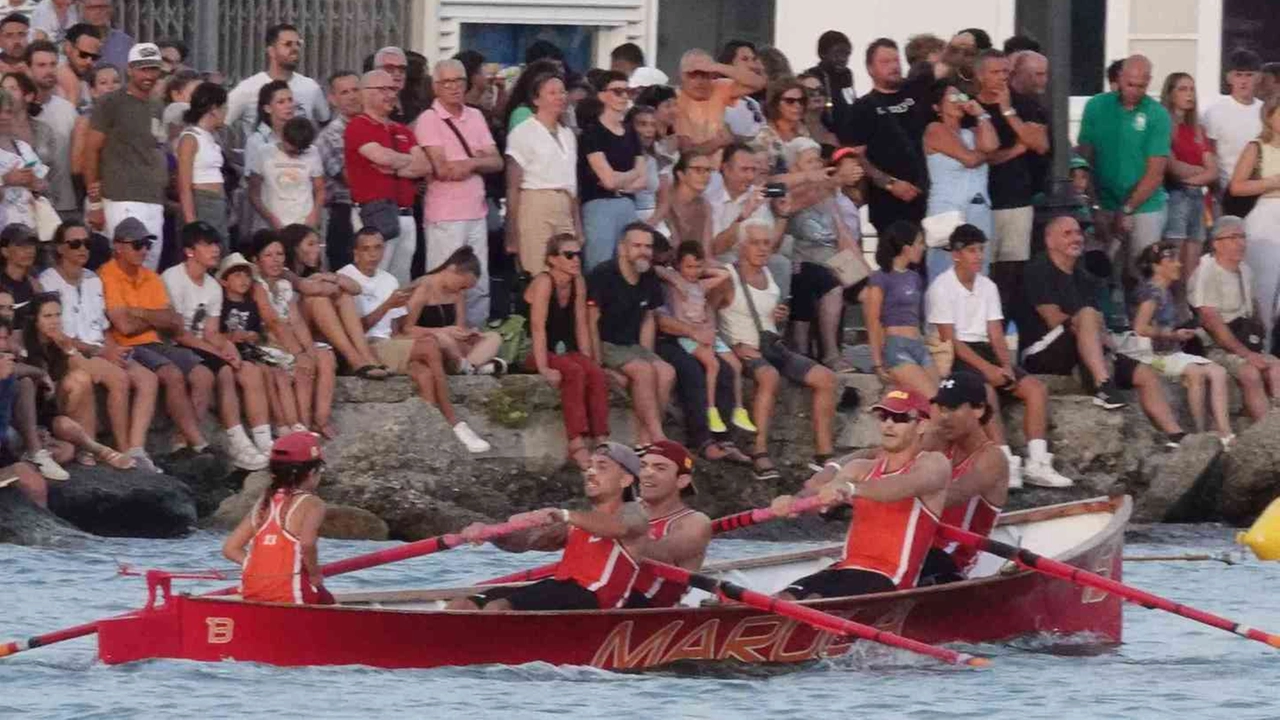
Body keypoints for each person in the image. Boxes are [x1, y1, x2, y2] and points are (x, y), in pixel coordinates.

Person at [926, 224, 1075, 486]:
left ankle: (1037, 462)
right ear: (956, 254)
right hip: (959, 355)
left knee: (1036, 389)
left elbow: (996, 332)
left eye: (981, 250)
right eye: (972, 251)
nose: (979, 257)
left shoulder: (988, 286)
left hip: (986, 350)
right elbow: (950, 339)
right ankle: (1004, 462)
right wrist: (987, 370)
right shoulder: (941, 287)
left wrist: (1006, 364)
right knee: (986, 392)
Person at [1022, 216, 1187, 442]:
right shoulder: (1039, 268)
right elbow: (1052, 318)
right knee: (1088, 315)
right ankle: (1103, 385)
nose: (1077, 238)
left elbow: (1099, 322)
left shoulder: (1083, 275)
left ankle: (1175, 435)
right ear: (1050, 241)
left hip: (1083, 346)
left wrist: (1100, 335)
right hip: (1043, 350)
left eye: (1078, 233)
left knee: (1144, 373)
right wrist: (1089, 325)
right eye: (1068, 233)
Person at [771, 389, 949, 598]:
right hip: (844, 569)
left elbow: (902, 486)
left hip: (889, 579)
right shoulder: (859, 468)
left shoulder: (934, 464)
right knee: (783, 598)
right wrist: (794, 503)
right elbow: (823, 499)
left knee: (814, 601)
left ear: (922, 425)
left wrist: (852, 489)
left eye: (900, 418)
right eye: (884, 417)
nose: (888, 424)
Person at [446, 442, 648, 612]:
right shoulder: (579, 522)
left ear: (625, 479)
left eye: (602, 467)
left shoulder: (634, 513)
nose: (591, 473)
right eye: (589, 467)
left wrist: (565, 515)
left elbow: (619, 528)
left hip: (594, 600)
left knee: (498, 607)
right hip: (561, 590)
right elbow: (524, 542)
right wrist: (490, 534)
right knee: (463, 603)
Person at [340, 227, 491, 453]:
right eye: (366, 249)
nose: (373, 254)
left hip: (389, 343)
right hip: (365, 348)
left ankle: (430, 435)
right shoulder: (346, 277)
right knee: (429, 346)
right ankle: (454, 421)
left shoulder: (389, 279)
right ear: (356, 253)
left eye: (378, 248)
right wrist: (387, 306)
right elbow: (353, 330)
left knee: (424, 372)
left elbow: (396, 330)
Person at [718, 219, 837, 479]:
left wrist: (777, 316)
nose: (762, 249)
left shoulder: (769, 273)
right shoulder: (727, 277)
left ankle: (824, 455)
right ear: (741, 246)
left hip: (771, 345)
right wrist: (729, 346)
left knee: (826, 378)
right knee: (769, 377)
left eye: (766, 243)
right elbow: (706, 314)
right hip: (745, 349)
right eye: (755, 243)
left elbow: (763, 314)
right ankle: (759, 451)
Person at [38, 221, 161, 471]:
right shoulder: (47, 280)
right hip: (68, 350)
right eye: (75, 244)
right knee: (119, 379)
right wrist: (100, 352)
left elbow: (102, 327)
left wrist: (113, 350)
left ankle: (138, 449)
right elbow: (54, 333)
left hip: (99, 348)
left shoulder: (93, 279)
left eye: (87, 243)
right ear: (60, 248)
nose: (82, 249)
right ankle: (123, 450)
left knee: (148, 378)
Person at [100, 217, 212, 460]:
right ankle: (199, 443)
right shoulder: (107, 275)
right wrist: (154, 317)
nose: (144, 250)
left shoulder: (150, 276)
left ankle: (182, 442)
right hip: (129, 345)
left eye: (147, 245)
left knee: (203, 375)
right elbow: (125, 327)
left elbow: (174, 321)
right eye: (137, 244)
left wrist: (139, 312)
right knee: (172, 375)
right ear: (118, 246)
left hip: (157, 342)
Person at [162, 222, 272, 468]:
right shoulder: (172, 278)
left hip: (200, 344)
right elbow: (178, 334)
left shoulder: (212, 286)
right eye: (207, 244)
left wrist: (227, 348)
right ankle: (232, 439)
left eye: (216, 244)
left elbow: (211, 331)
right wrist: (218, 352)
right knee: (221, 370)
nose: (215, 249)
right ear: (190, 251)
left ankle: (253, 439)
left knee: (238, 368)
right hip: (174, 344)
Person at [416, 58, 503, 327]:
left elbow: (497, 161)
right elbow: (443, 169)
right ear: (435, 86)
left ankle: (474, 337)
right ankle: (446, 336)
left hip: (475, 212)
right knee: (445, 280)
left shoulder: (475, 116)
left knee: (478, 281)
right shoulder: (429, 120)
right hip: (445, 214)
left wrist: (470, 163)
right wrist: (479, 161)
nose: (454, 87)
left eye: (459, 81)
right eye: (447, 82)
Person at [1124, 243, 1233, 445]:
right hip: (1153, 356)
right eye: (1172, 260)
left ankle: (1225, 432)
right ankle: (1201, 435)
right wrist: (1171, 334)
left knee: (1219, 372)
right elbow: (1140, 327)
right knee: (1195, 372)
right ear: (1157, 267)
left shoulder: (1165, 292)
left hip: (1171, 353)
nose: (1179, 264)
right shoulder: (1151, 292)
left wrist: (1178, 334)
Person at [1077, 55, 1171, 284]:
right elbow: (1083, 158)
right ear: (1119, 78)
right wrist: (1094, 205)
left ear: (1149, 82)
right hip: (1103, 199)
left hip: (1145, 205)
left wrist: (1127, 209)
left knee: (1143, 273)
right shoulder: (1096, 106)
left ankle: (1142, 319)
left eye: (1141, 86)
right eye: (1130, 84)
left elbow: (1155, 173)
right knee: (1102, 272)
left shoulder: (1157, 114)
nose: (1135, 91)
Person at [21, 294, 135, 469]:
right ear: (35, 320)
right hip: (29, 415)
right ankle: (100, 450)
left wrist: (69, 349)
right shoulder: (22, 343)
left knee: (81, 379)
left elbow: (88, 371)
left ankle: (88, 450)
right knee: (65, 450)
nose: (54, 321)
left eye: (58, 315)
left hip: (52, 410)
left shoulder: (60, 341)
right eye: (47, 316)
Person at [524, 234, 608, 470]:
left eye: (578, 254)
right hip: (533, 347)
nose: (575, 260)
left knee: (595, 373)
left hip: (561, 347)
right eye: (568, 255)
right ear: (552, 259)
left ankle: (600, 437)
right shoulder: (544, 282)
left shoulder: (577, 282)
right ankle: (576, 442)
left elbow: (581, 325)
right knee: (573, 372)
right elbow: (537, 328)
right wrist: (543, 368)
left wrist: (589, 359)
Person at [975, 49, 1050, 309]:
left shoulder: (1023, 104)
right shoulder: (969, 108)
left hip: (1018, 201)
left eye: (1006, 71)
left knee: (1012, 273)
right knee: (983, 272)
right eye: (995, 72)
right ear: (980, 75)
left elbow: (1040, 145)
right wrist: (1018, 148)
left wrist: (1008, 112)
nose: (1002, 78)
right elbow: (982, 156)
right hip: (983, 202)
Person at [587, 223, 674, 448]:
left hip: (632, 346)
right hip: (606, 342)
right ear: (622, 248)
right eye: (637, 245)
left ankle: (643, 442)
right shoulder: (603, 274)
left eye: (648, 246)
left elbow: (647, 318)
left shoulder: (649, 275)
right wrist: (597, 364)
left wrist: (648, 354)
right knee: (644, 371)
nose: (643, 251)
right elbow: (590, 321)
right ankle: (658, 437)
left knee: (665, 371)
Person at [917, 372, 1010, 584]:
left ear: (978, 409)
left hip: (953, 562)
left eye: (953, 408)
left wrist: (880, 490)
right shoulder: (939, 439)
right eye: (941, 408)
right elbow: (878, 457)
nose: (944, 417)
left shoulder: (993, 459)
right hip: (920, 548)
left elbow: (952, 495)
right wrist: (835, 471)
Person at [223, 431, 333, 606]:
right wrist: (314, 575)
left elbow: (230, 549)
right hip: (291, 594)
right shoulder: (313, 503)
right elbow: (307, 544)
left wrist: (260, 565)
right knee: (327, 601)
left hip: (253, 592)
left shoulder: (263, 502)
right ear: (312, 472)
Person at [84, 42, 167, 270]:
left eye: (153, 68)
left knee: (148, 270)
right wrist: (94, 205)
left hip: (152, 200)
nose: (149, 75)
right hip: (120, 198)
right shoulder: (110, 102)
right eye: (143, 68)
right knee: (122, 267)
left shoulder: (157, 105)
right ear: (130, 69)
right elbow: (91, 150)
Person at [1188, 216, 1280, 421]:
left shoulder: (1245, 271)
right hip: (1217, 346)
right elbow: (1212, 322)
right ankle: (1268, 430)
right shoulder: (1206, 273)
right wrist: (1246, 354)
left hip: (1245, 341)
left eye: (1243, 236)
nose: (1241, 243)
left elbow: (1253, 308)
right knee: (1250, 373)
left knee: (1276, 367)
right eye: (1233, 237)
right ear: (1216, 244)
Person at [343, 69, 430, 287]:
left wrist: (395, 166)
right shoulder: (358, 125)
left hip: (406, 215)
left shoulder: (402, 130)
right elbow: (380, 156)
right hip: (376, 214)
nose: (391, 94)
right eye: (383, 89)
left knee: (400, 282)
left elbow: (424, 166)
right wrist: (404, 161)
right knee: (373, 280)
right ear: (365, 93)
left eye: (393, 88)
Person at [656, 240, 753, 434]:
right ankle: (711, 410)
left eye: (697, 266)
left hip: (706, 331)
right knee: (713, 364)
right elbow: (657, 269)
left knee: (735, 365)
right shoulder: (675, 281)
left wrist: (704, 267)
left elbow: (724, 274)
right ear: (678, 265)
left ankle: (739, 410)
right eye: (689, 266)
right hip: (689, 334)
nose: (693, 271)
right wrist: (677, 279)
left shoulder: (701, 285)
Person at [839, 38, 934, 235]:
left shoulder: (916, 92)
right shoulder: (862, 107)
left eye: (896, 61)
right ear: (870, 68)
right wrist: (890, 184)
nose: (894, 66)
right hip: (889, 205)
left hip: (929, 199)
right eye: (885, 62)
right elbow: (856, 155)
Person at [250, 229, 337, 438]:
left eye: (279, 254)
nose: (275, 260)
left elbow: (296, 321)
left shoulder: (284, 284)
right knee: (301, 367)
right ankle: (302, 425)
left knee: (325, 357)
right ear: (257, 260)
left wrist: (309, 350)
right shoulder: (256, 285)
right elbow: (273, 322)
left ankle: (321, 420)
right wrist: (300, 354)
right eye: (268, 255)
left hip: (288, 340)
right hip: (268, 342)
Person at [277, 223, 389, 383]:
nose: (317, 249)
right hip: (294, 334)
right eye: (311, 244)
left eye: (318, 244)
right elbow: (308, 288)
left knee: (345, 296)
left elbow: (356, 288)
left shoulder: (315, 272)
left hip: (317, 332)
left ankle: (366, 356)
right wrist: (328, 285)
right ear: (294, 247)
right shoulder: (285, 272)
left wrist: (333, 278)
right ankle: (354, 360)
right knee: (318, 300)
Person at [505, 70, 579, 277]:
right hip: (535, 203)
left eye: (562, 92)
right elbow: (512, 186)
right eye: (552, 93)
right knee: (538, 272)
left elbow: (572, 185)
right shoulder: (523, 131)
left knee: (567, 273)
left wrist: (577, 225)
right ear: (536, 99)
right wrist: (512, 234)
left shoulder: (568, 135)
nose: (560, 97)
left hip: (564, 203)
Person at [923, 81, 998, 281]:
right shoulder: (934, 129)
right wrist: (985, 154)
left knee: (979, 273)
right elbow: (971, 159)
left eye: (961, 97)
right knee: (945, 273)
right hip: (947, 211)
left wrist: (981, 114)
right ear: (937, 107)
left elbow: (992, 145)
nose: (958, 102)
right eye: (952, 98)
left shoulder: (972, 132)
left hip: (978, 209)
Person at [625, 440, 711, 608]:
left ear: (682, 480)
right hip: (607, 594)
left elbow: (661, 554)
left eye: (660, 468)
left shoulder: (696, 523)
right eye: (643, 466)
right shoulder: (627, 509)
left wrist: (608, 529)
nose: (647, 473)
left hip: (648, 605)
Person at [578, 70, 645, 271]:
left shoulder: (631, 132)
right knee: (600, 266)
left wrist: (619, 181)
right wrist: (629, 177)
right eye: (618, 91)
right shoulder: (592, 132)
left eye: (628, 91)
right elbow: (608, 181)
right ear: (601, 95)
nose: (625, 96)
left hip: (627, 205)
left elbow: (643, 180)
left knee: (631, 267)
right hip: (599, 206)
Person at [1228, 95, 1280, 343]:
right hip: (1265, 218)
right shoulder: (1256, 147)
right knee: (1264, 288)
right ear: (1269, 116)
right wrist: (1272, 182)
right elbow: (1236, 187)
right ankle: (1264, 344)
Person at [404, 246, 503, 375]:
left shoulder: (458, 294)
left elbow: (459, 328)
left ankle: (469, 366)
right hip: (428, 341)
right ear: (452, 269)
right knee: (444, 339)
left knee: (493, 337)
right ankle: (477, 365)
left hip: (453, 344)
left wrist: (468, 334)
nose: (463, 290)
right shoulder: (423, 287)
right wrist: (441, 331)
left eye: (466, 288)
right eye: (462, 285)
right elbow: (406, 329)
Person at [1160, 72, 1216, 295]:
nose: (1189, 94)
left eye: (1192, 89)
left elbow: (1213, 170)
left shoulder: (1197, 129)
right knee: (1173, 261)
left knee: (1193, 267)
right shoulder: (1164, 125)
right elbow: (1172, 168)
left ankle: (1187, 313)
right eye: (1183, 89)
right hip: (1176, 195)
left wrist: (1194, 174)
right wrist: (1201, 171)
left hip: (1198, 198)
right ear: (1170, 93)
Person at [866, 221, 935, 397]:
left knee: (944, 402)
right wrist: (877, 363)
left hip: (918, 345)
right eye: (919, 243)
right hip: (896, 347)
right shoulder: (880, 278)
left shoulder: (915, 278)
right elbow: (873, 320)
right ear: (906, 247)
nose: (923, 247)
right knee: (933, 400)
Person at [225, 23, 330, 138]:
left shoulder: (311, 87)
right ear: (271, 51)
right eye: (288, 44)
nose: (295, 49)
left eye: (298, 44)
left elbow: (324, 122)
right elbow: (220, 123)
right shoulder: (248, 88)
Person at [673, 47, 765, 157]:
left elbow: (758, 83)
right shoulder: (675, 100)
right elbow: (687, 153)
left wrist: (716, 66)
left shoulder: (718, 87)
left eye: (705, 74)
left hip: (720, 169)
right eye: (693, 75)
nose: (700, 81)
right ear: (682, 76)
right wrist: (717, 142)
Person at [22, 40, 75, 222]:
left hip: (66, 205)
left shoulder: (68, 110)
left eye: (53, 64)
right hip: (27, 206)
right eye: (41, 65)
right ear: (28, 69)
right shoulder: (13, 113)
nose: (49, 70)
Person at [315, 70, 361, 272]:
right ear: (332, 99)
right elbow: (351, 178)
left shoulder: (377, 126)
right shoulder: (329, 136)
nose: (352, 96)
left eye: (356, 90)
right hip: (345, 213)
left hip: (378, 210)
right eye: (344, 92)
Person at [248, 115, 323, 234]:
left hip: (303, 223)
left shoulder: (313, 152)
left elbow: (319, 189)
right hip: (272, 224)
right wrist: (270, 218)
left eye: (301, 151)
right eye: (292, 150)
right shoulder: (264, 153)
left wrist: (315, 214)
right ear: (283, 137)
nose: (295, 155)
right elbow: (253, 193)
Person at [1205, 50, 1264, 200]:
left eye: (1249, 75)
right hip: (1226, 191)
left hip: (1261, 190)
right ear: (1229, 78)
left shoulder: (1266, 112)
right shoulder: (1215, 112)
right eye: (1238, 75)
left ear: (1258, 77)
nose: (1243, 81)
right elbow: (1209, 153)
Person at [176, 82, 229, 246]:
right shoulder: (190, 138)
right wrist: (191, 222)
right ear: (213, 109)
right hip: (202, 202)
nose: (226, 112)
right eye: (223, 108)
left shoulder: (211, 137)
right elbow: (184, 186)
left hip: (218, 203)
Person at [0, 324, 47, 507]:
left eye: (4, 339)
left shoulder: (7, 374)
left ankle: (48, 532)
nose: (2, 345)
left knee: (35, 483)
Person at [0, 91, 48, 229]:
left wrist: (33, 182)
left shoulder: (23, 148)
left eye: (8, 112)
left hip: (29, 229)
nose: (4, 117)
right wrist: (5, 180)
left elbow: (44, 186)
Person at [69, 62, 119, 193]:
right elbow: (77, 167)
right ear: (93, 91)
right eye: (103, 83)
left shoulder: (128, 116)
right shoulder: (86, 121)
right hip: (95, 192)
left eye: (116, 81)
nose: (111, 87)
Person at [755, 78, 811, 175]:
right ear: (775, 104)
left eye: (802, 100)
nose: (798, 105)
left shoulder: (803, 130)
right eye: (790, 101)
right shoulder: (763, 135)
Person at [804, 30, 855, 132]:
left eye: (846, 54)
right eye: (837, 53)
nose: (842, 59)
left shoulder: (846, 75)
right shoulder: (813, 76)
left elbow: (850, 101)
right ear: (822, 53)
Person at [718, 40, 767, 144]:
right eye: (745, 59)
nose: (751, 65)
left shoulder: (753, 104)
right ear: (728, 64)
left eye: (753, 59)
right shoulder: (714, 97)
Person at [665, 151, 714, 251]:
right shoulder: (664, 201)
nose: (705, 175)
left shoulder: (704, 205)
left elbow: (706, 253)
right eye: (698, 170)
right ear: (681, 174)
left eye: (708, 170)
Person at [55, 23, 101, 112]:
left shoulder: (85, 77)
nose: (89, 61)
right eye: (83, 54)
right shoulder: (57, 65)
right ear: (68, 47)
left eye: (94, 57)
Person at [78, 0, 130, 72]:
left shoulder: (124, 41)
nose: (98, 12)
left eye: (103, 7)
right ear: (83, 10)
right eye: (92, 8)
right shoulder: (75, 42)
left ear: (111, 10)